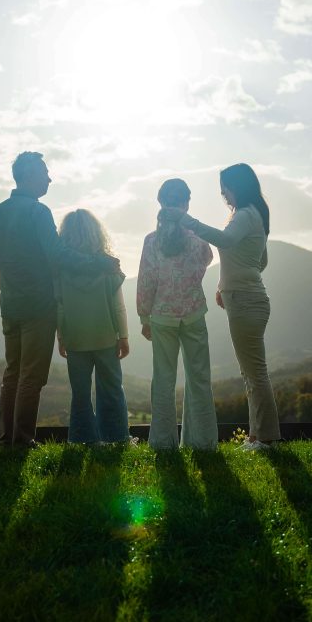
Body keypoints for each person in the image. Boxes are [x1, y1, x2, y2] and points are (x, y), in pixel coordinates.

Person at [0, 152, 118, 449]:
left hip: (10, 304)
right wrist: (98, 263)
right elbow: (58, 255)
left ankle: (6, 438)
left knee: (12, 372)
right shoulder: (38, 212)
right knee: (32, 375)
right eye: (45, 172)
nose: (49, 178)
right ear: (30, 175)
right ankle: (23, 439)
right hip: (38, 305)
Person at [173, 163, 280, 450]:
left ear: (238, 187)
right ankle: (258, 436)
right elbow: (262, 261)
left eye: (225, 190)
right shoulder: (254, 215)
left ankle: (266, 438)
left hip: (245, 300)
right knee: (252, 372)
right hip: (248, 297)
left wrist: (189, 222)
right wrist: (225, 285)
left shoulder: (244, 215)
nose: (224, 195)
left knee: (255, 372)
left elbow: (226, 239)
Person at [137, 178, 218, 450]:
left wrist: (143, 317)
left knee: (163, 379)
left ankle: (162, 443)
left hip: (161, 316)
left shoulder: (151, 242)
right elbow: (208, 259)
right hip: (193, 313)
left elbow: (146, 282)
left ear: (160, 203)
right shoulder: (196, 241)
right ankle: (202, 442)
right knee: (199, 379)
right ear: (186, 204)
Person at [56, 209, 132, 445]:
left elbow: (59, 306)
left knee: (80, 393)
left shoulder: (60, 269)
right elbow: (118, 306)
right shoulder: (108, 266)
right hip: (106, 336)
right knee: (111, 389)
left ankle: (81, 439)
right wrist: (124, 336)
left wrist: (61, 337)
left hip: (75, 338)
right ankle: (117, 438)